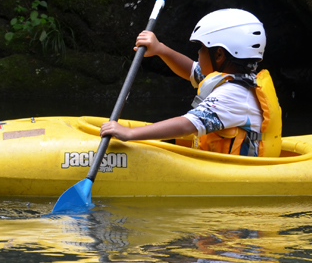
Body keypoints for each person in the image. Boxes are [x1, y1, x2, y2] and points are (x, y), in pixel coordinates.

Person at [100, 9, 282, 157]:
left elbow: (187, 125)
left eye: (202, 47)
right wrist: (160, 49)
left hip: (235, 171)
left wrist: (129, 134)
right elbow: (191, 70)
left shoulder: (234, 95)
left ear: (219, 54)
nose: (198, 53)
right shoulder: (236, 80)